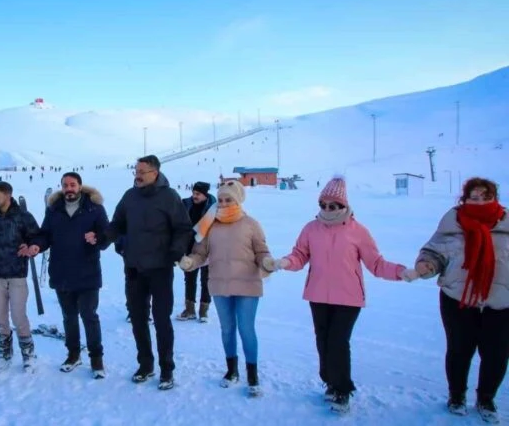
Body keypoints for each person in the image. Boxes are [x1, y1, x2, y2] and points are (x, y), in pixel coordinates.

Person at [265, 176, 412, 413]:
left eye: (332, 206)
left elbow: (376, 263)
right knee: (322, 341)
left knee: (338, 342)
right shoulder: (311, 228)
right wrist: (284, 262)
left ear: (343, 206)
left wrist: (401, 272)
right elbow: (300, 255)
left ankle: (343, 389)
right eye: (323, 205)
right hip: (318, 294)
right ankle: (330, 382)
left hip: (348, 297)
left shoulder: (358, 231)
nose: (327, 209)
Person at [406, 177, 508, 423]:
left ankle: (486, 399)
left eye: (486, 197)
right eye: (474, 197)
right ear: (464, 199)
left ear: (495, 199)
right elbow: (434, 253)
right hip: (457, 300)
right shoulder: (452, 223)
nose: (480, 201)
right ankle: (456, 396)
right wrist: (425, 266)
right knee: (459, 350)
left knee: (496, 355)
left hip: (502, 303)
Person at [103, 155, 193, 390]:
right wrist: (105, 238)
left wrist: (175, 252)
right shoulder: (130, 196)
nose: (137, 175)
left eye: (142, 171)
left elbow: (183, 229)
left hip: (160, 268)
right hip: (133, 267)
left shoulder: (169, 197)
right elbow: (117, 224)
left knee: (162, 320)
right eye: (136, 170)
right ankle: (145, 365)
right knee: (138, 318)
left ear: (155, 172)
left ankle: (166, 369)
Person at [179, 181, 274, 396]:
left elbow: (261, 251)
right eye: (220, 200)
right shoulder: (210, 225)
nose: (223, 203)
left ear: (238, 200)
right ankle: (231, 371)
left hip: (247, 285)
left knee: (246, 329)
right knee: (227, 329)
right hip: (220, 284)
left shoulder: (251, 224)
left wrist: (266, 261)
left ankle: (252, 374)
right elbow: (200, 253)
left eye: (228, 199)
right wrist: (190, 262)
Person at [28, 172, 109, 378]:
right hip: (62, 272)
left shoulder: (95, 208)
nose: (69, 189)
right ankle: (73, 354)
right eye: (65, 185)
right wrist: (38, 245)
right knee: (69, 317)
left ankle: (96, 359)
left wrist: (97, 238)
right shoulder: (54, 210)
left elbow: (107, 236)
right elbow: (45, 234)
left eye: (73, 185)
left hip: (88, 273)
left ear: (80, 186)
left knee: (89, 316)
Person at [0, 181, 41, 373]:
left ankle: (28, 352)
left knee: (19, 316)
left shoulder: (23, 217)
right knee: (0, 318)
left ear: (7, 196)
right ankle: (5, 352)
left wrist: (31, 246)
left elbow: (37, 236)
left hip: (17, 274)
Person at [176, 181, 216, 322]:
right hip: (189, 248)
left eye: (198, 194)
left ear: (205, 195)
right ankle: (190, 309)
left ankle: (204, 311)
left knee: (207, 280)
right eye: (193, 193)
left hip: (208, 249)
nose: (194, 196)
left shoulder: (214, 208)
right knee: (189, 279)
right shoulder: (186, 204)